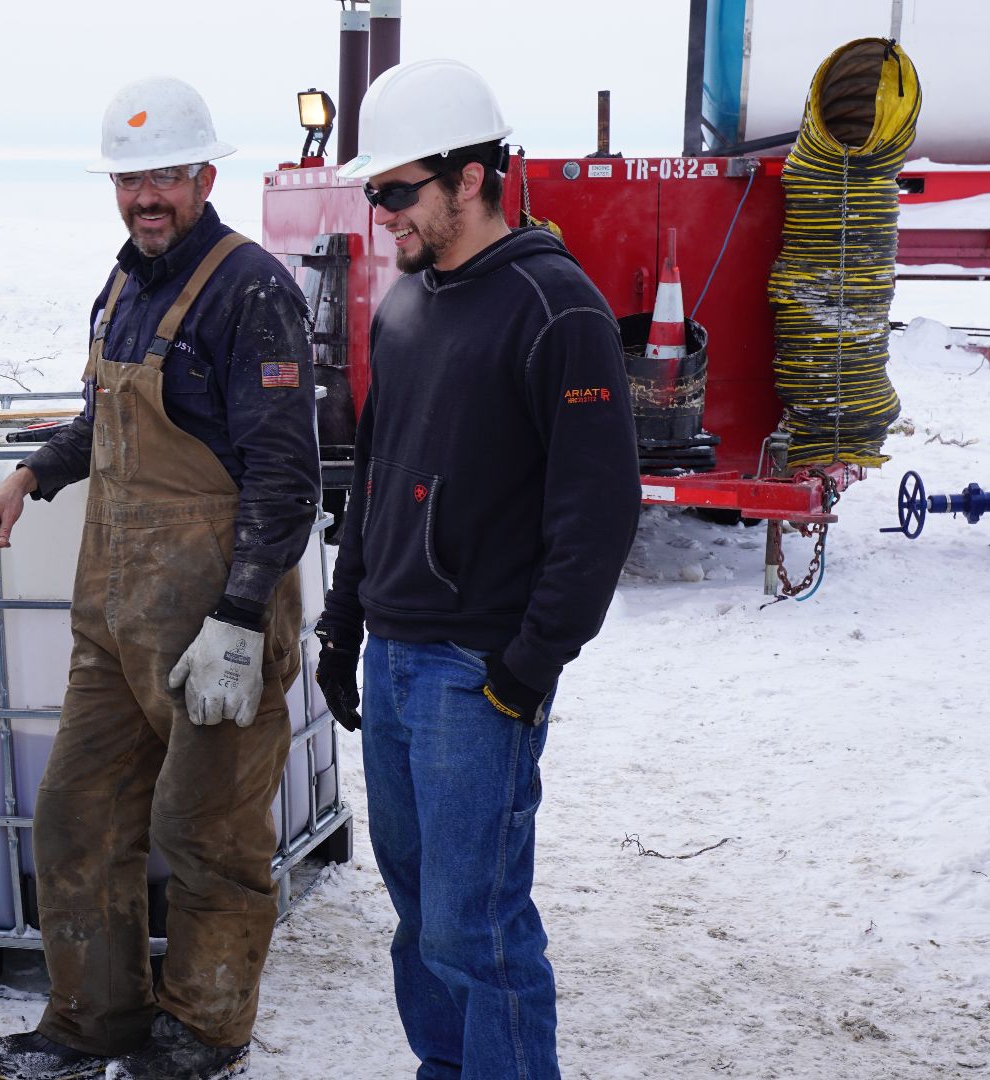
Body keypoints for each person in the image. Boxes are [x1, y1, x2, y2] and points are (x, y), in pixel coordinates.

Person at [0, 75, 319, 1080]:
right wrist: (34, 474)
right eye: (129, 180)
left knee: (205, 831)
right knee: (79, 815)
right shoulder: (123, 287)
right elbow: (107, 422)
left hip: (214, 623)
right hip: (115, 622)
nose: (145, 197)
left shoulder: (250, 292)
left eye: (165, 175)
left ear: (206, 176)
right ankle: (93, 1023)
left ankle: (205, 1034)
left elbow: (285, 474)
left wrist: (243, 616)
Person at [313, 59, 641, 1080]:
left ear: (471, 177)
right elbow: (377, 474)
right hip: (397, 665)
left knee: (478, 930)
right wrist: (344, 624)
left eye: (399, 191)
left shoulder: (558, 310)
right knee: (420, 920)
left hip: (475, 675)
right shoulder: (405, 305)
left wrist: (526, 665)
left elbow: (599, 512)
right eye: (373, 195)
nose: (383, 217)